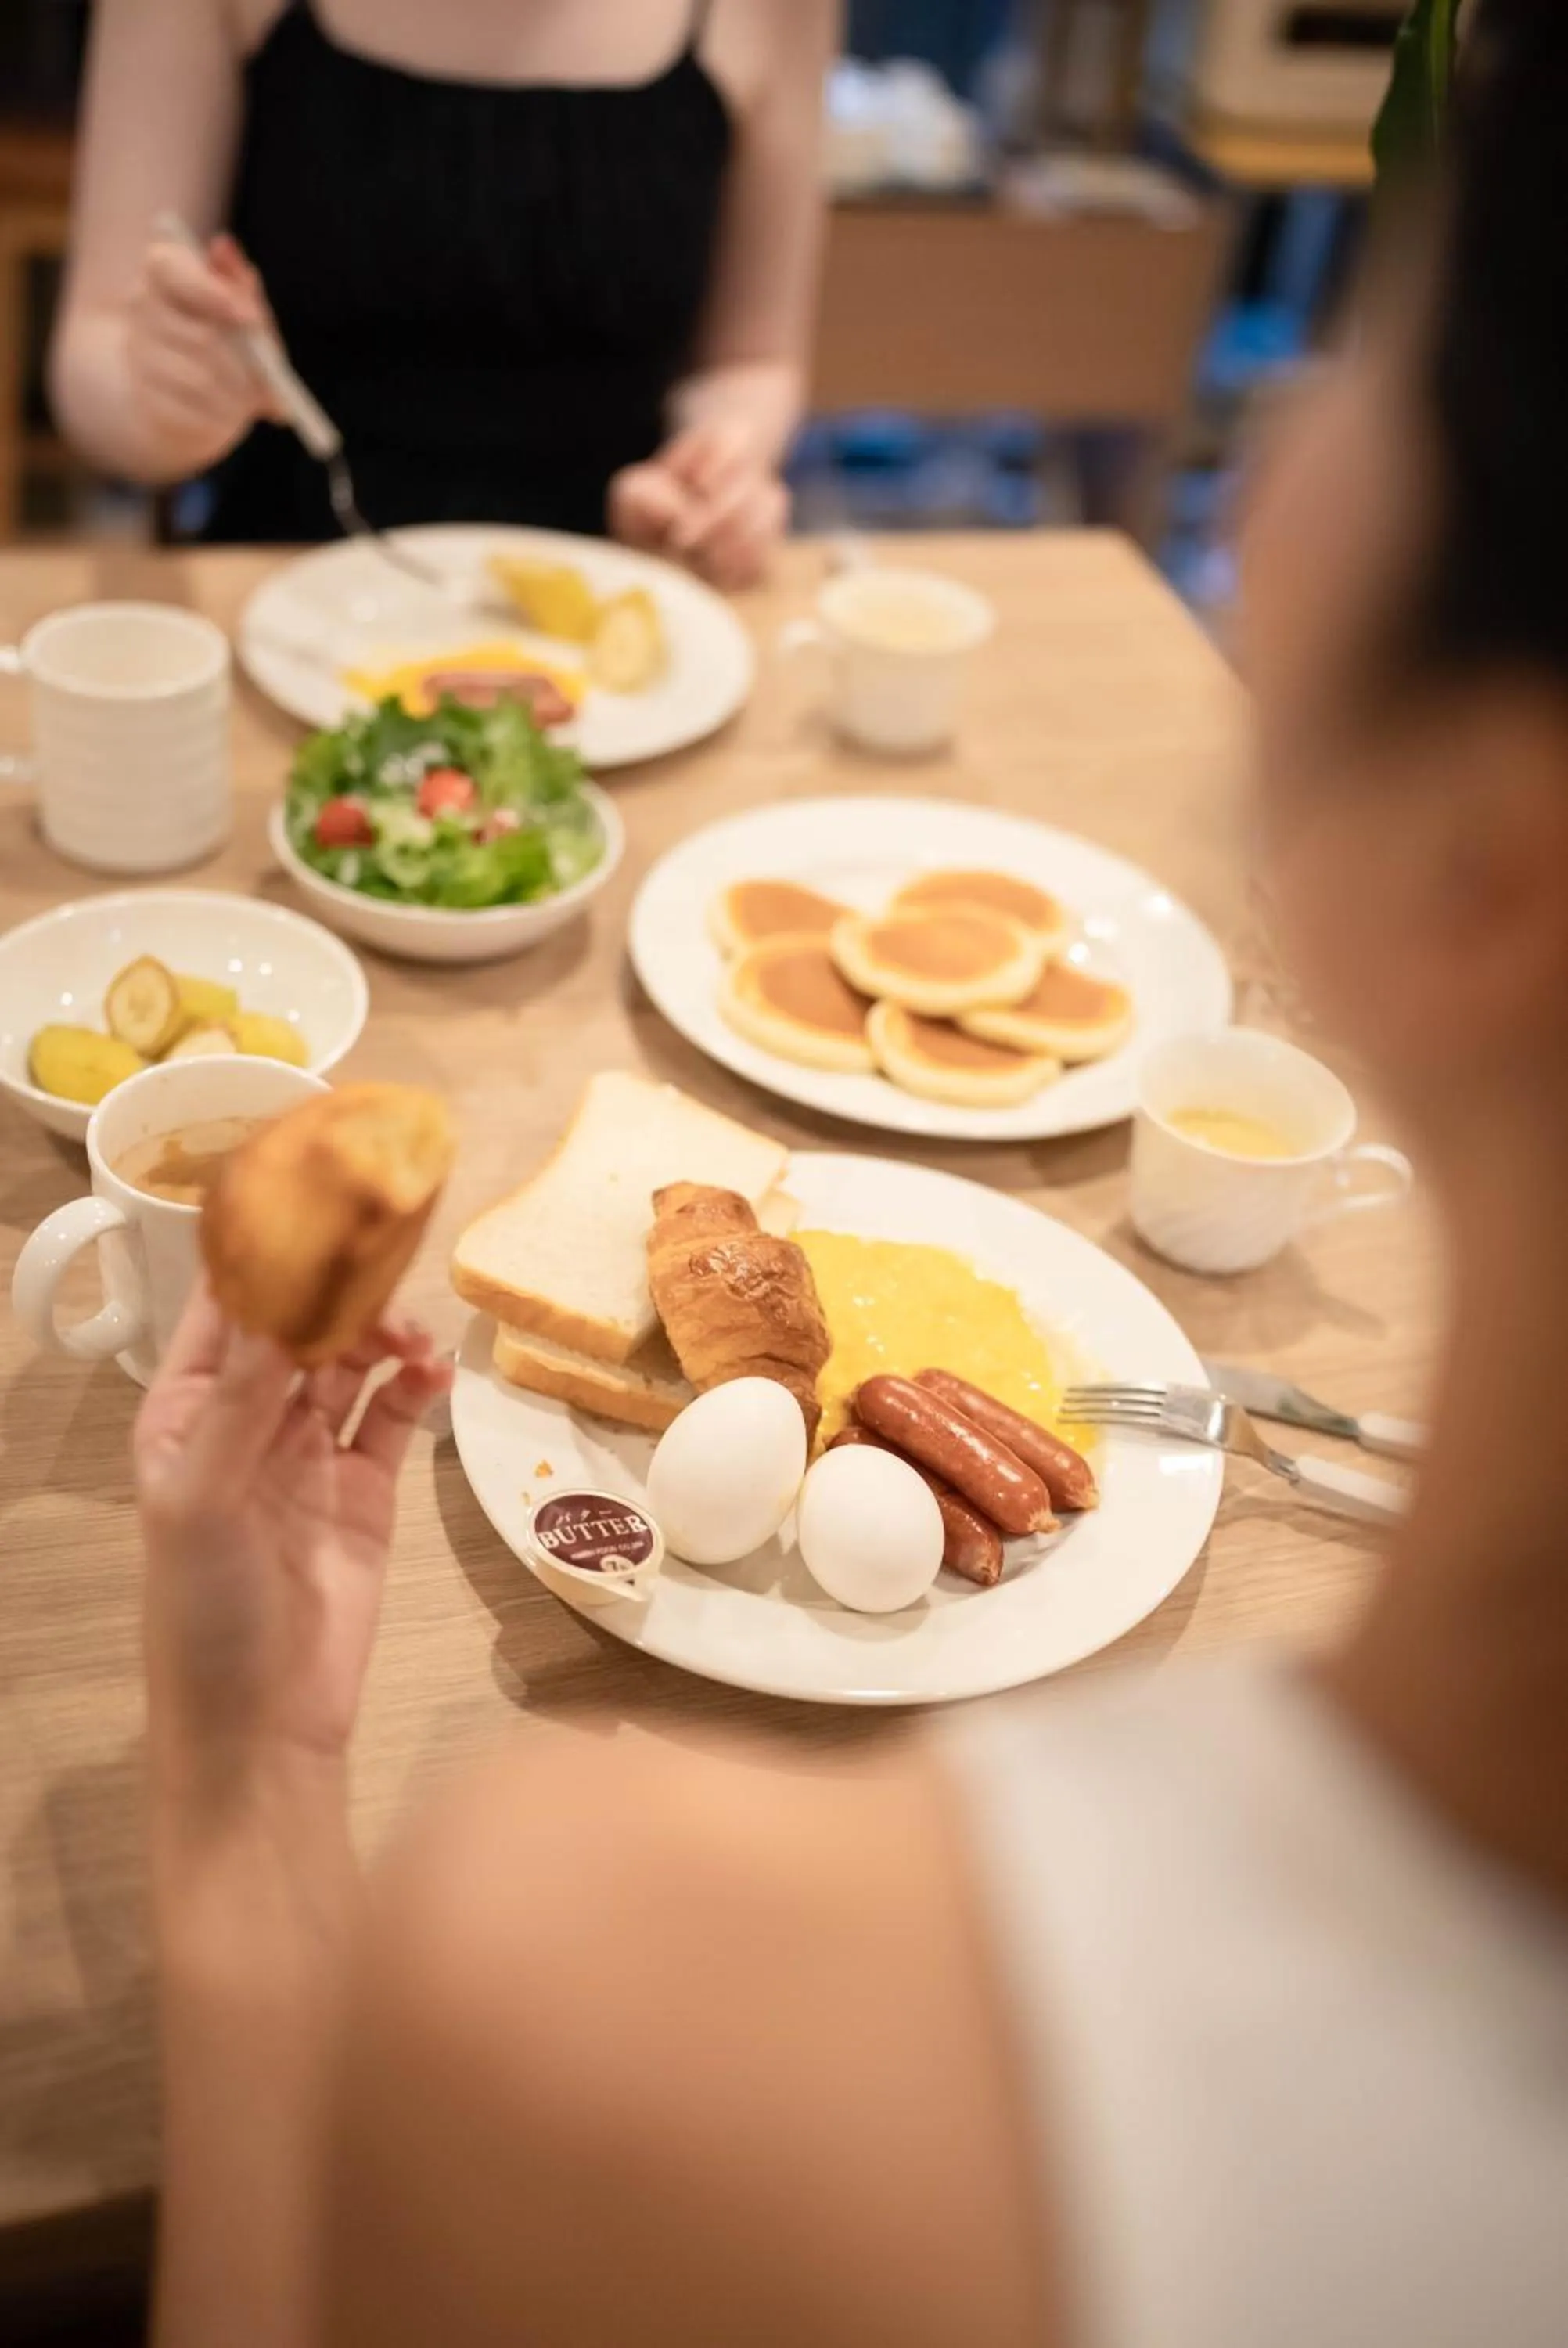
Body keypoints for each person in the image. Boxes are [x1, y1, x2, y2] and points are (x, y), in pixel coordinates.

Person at [135, 5, 1568, 2343]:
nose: (1275, 436)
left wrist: (239, 1788)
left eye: (1370, 365)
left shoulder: (629, 1994)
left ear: (1489, 870)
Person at [50, 0, 832, 583]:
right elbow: (98, 341)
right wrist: (166, 399)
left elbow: (751, 362)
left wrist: (715, 467)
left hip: (618, 611)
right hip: (285, 589)